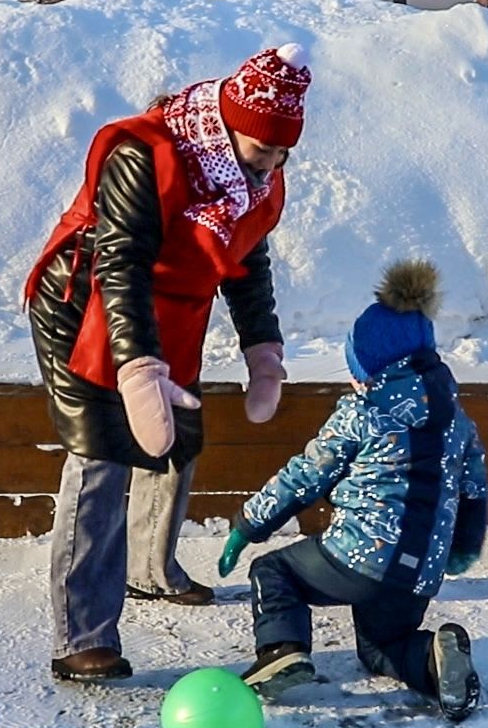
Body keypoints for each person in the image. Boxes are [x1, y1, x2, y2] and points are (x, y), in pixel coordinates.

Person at [24, 45, 312, 682]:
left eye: (281, 153)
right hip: (89, 302)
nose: (270, 165)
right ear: (228, 124)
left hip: (173, 311)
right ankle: (83, 635)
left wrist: (261, 348)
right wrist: (134, 370)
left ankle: (151, 570)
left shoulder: (259, 174)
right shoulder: (143, 155)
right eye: (261, 149)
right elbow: (120, 265)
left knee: (174, 437)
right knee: (103, 451)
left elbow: (247, 260)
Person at [215, 259, 488, 721]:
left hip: (360, 555)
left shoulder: (364, 411)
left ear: (374, 370)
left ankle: (283, 649)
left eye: (357, 369)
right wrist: (461, 549)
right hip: (419, 571)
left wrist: (249, 524)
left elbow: (306, 474)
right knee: (383, 647)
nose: (353, 380)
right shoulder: (458, 423)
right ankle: (431, 657)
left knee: (275, 572)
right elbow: (475, 490)